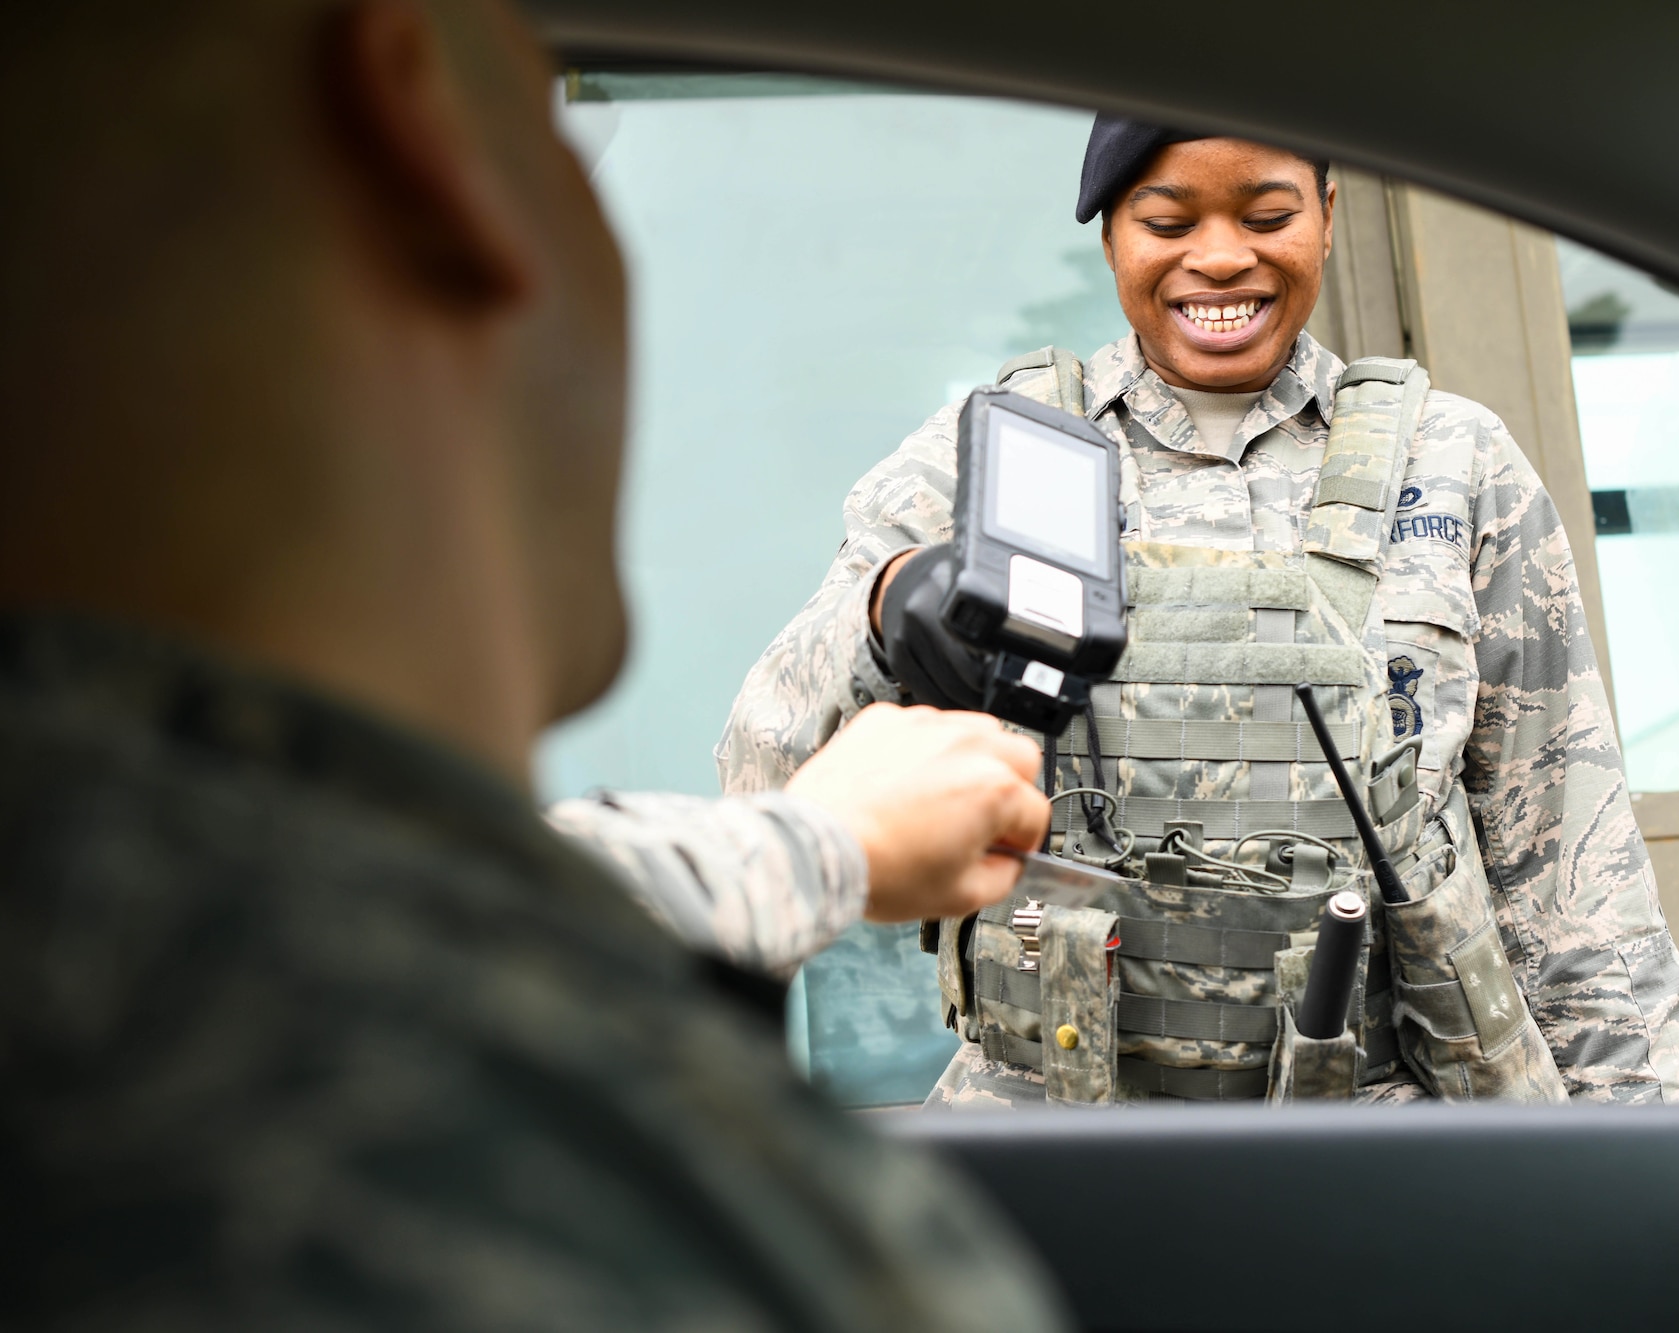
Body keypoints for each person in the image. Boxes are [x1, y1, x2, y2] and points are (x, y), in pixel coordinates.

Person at [0, 1, 1067, 1328]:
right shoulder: (656, 1199)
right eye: (564, 111)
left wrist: (823, 842)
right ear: (433, 139)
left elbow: (502, 880)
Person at [720, 118, 1679, 1108]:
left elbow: (1569, 868)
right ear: (1110, 233)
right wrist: (886, 613)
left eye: (1267, 213)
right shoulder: (993, 461)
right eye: (1166, 220)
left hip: (1380, 1131)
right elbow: (764, 770)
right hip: (1057, 1125)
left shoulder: (1451, 463)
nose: (1220, 257)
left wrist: (1655, 1151)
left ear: (1326, 215)